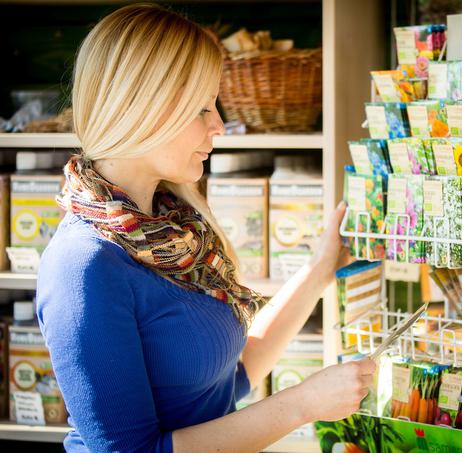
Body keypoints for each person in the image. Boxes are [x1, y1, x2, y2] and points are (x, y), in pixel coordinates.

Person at [36, 3, 376, 452]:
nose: (218, 124)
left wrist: (319, 271)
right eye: (202, 107)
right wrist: (304, 404)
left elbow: (228, 383)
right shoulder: (84, 266)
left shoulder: (172, 227)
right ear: (140, 108)